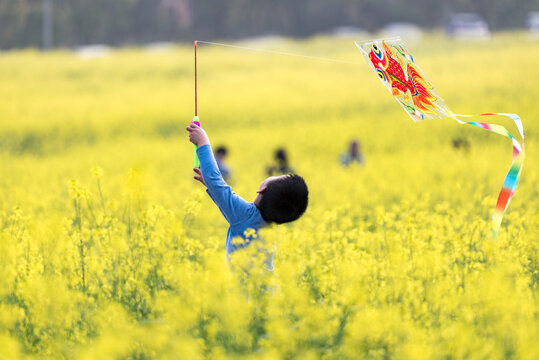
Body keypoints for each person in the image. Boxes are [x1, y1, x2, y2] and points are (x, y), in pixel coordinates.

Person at [186, 123, 308, 270]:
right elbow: (223, 197)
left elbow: (216, 182)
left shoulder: (245, 216)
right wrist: (212, 187)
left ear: (262, 189)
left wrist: (202, 141)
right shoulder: (268, 226)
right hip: (266, 289)